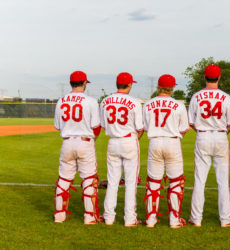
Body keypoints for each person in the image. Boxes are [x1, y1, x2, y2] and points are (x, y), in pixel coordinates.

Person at [188, 64, 230, 227]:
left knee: (199, 180)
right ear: (219, 77)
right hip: (221, 136)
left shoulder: (196, 96)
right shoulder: (226, 97)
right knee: (223, 181)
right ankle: (225, 219)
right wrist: (221, 133)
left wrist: (203, 132)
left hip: (202, 136)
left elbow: (191, 122)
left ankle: (196, 219)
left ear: (204, 77)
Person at [53, 71, 101, 224]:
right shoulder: (91, 101)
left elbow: (58, 126)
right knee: (88, 179)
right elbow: (96, 127)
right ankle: (89, 216)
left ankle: (59, 215)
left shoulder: (61, 101)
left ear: (71, 83)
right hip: (85, 141)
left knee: (64, 179)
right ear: (84, 83)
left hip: (67, 141)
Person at [142, 74, 189, 228]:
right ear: (172, 87)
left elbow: (146, 127)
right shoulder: (179, 105)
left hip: (154, 141)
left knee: (153, 182)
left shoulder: (148, 104)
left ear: (158, 87)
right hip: (172, 142)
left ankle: (150, 219)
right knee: (176, 181)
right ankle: (174, 220)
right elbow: (183, 129)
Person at [100, 72, 144, 227]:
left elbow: (104, 125)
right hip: (129, 140)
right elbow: (140, 128)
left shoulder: (105, 101)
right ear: (129, 84)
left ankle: (108, 217)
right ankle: (130, 219)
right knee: (131, 182)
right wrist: (132, 140)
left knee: (112, 181)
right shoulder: (135, 102)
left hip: (112, 141)